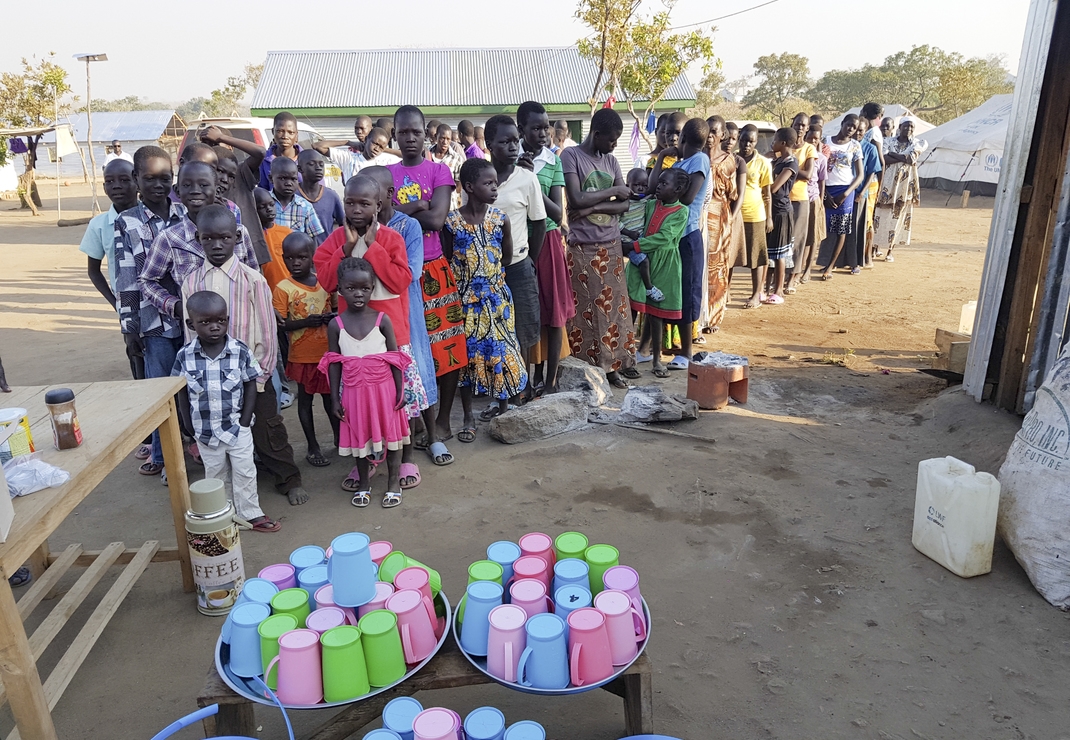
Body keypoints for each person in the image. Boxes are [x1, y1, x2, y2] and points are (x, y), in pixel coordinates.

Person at [177, 205, 310, 508]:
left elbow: (265, 330)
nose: (217, 245)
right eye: (208, 239)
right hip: (211, 377)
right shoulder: (191, 282)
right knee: (221, 433)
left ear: (237, 238)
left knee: (267, 428)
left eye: (224, 238)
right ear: (198, 240)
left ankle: (289, 478)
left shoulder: (253, 280)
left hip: (250, 376)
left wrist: (261, 375)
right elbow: (189, 335)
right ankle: (230, 492)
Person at [314, 175, 428, 490]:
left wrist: (371, 248)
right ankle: (366, 461)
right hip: (351, 339)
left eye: (364, 203)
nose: (356, 209)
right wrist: (346, 251)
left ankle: (406, 459)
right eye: (350, 202)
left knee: (398, 400)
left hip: (390, 337)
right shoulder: (337, 238)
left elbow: (400, 280)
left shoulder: (390, 239)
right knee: (357, 402)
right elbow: (326, 280)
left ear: (378, 205)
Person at [388, 105, 464, 463]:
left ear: (427, 134)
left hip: (434, 268)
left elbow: (436, 219)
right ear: (395, 135)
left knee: (446, 348)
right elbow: (377, 213)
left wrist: (407, 208)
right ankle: (417, 422)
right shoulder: (385, 174)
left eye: (416, 131)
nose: (410, 137)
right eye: (403, 132)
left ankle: (443, 419)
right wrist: (418, 202)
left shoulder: (439, 171)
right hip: (396, 273)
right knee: (411, 352)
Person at [174, 290, 280, 532]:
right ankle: (223, 516)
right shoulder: (185, 356)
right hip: (205, 430)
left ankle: (251, 514)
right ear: (191, 324)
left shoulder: (240, 351)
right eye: (205, 322)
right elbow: (180, 391)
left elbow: (251, 383)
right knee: (215, 475)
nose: (214, 327)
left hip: (236, 427)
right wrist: (187, 424)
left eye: (220, 321)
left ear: (227, 320)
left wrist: (244, 419)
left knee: (245, 471)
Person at [114, 147, 188, 474]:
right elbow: (126, 277)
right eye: (150, 179)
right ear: (136, 180)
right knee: (160, 392)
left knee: (191, 386)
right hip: (153, 322)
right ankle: (162, 457)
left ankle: (192, 447)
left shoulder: (185, 213)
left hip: (190, 319)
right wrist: (129, 329)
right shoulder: (127, 223)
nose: (159, 185)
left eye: (165, 179)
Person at [443, 158, 529, 436]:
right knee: (467, 359)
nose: (494, 188)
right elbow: (447, 259)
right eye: (488, 183)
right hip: (465, 304)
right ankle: (468, 416)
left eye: (496, 182)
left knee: (500, 352)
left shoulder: (499, 219)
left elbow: (505, 256)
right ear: (469, 186)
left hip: (497, 302)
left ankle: (504, 411)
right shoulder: (451, 223)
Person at [362, 165, 437, 487]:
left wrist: (371, 256)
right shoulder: (352, 229)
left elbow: (409, 274)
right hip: (365, 318)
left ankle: (422, 444)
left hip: (404, 313)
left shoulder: (407, 227)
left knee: (410, 377)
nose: (366, 207)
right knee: (371, 385)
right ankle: (375, 451)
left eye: (372, 199)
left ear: (387, 197)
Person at [319, 258, 412, 508]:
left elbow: (396, 360)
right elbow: (334, 363)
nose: (358, 294)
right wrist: (335, 399)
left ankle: (393, 484)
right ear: (340, 289)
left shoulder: (383, 320)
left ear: (373, 288)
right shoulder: (335, 325)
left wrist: (400, 390)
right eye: (351, 289)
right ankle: (363, 484)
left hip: (385, 392)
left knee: (392, 439)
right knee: (360, 440)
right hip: (353, 393)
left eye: (365, 288)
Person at [560, 108, 638, 388]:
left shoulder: (612, 161)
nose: (614, 145)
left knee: (613, 309)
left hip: (611, 244)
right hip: (583, 247)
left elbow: (625, 203)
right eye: (611, 139)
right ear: (596, 134)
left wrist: (594, 205)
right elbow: (576, 198)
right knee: (587, 309)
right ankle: (588, 367)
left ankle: (612, 366)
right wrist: (609, 194)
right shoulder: (571, 156)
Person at [485, 114, 545, 401]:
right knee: (494, 327)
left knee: (523, 326)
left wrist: (530, 258)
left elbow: (539, 222)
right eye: (504, 141)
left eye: (515, 141)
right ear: (489, 144)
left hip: (519, 265)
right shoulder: (480, 179)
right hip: (486, 268)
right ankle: (498, 388)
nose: (512, 147)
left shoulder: (527, 179)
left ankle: (522, 385)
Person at [517, 100, 574, 395]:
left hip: (548, 241)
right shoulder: (508, 161)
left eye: (546, 127)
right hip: (517, 243)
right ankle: (524, 381)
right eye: (535, 128)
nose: (542, 133)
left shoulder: (554, 163)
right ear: (521, 130)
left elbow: (556, 214)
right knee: (525, 313)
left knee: (553, 314)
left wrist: (532, 183)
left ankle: (550, 380)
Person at [272, 232, 337, 468]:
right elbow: (280, 324)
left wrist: (330, 318)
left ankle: (340, 439)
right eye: (289, 258)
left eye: (302, 257)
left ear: (313, 257)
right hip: (301, 355)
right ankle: (312, 446)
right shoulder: (283, 288)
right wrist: (306, 322)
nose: (296, 263)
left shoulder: (326, 283)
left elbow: (338, 311)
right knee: (305, 400)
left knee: (331, 399)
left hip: (327, 353)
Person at [651, 118, 708, 368]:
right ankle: (663, 348)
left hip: (687, 235)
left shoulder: (700, 160)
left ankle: (686, 351)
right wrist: (663, 157)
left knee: (688, 291)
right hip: (672, 237)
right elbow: (654, 188)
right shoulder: (681, 162)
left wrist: (671, 189)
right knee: (672, 290)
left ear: (683, 137)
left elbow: (687, 197)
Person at [623, 168, 690, 378]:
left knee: (656, 314)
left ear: (678, 189)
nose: (657, 186)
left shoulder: (681, 212)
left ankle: (656, 360)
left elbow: (664, 237)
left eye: (663, 184)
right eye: (658, 183)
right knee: (630, 307)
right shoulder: (650, 203)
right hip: (641, 261)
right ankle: (626, 357)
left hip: (664, 263)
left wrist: (634, 246)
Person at [82, 158, 138, 358]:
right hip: (126, 303)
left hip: (157, 299)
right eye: (109, 181)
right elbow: (93, 270)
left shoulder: (151, 217)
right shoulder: (99, 225)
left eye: (124, 180)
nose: (116, 186)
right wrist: (115, 303)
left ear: (137, 182)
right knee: (135, 351)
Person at [198, 128, 272, 268]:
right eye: (207, 145)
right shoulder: (198, 187)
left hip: (249, 254)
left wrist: (221, 137)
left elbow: (260, 152)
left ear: (230, 146)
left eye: (216, 143)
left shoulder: (240, 173)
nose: (211, 150)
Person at [701, 116, 746, 331]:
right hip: (697, 218)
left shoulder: (729, 161)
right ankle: (698, 318)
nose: (710, 137)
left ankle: (714, 317)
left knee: (716, 269)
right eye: (707, 132)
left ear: (722, 135)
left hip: (719, 220)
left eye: (714, 132)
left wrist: (730, 221)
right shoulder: (696, 157)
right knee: (699, 268)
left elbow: (733, 194)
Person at [873, 117, 927, 262]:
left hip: (905, 184)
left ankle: (890, 250)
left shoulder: (918, 143)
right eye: (906, 126)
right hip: (887, 182)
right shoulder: (889, 141)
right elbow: (884, 159)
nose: (908, 129)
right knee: (880, 214)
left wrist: (893, 155)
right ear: (900, 126)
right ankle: (876, 246)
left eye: (911, 127)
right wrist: (903, 157)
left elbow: (911, 159)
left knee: (898, 216)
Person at [818, 115, 864, 279]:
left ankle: (830, 267)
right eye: (849, 125)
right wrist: (825, 194)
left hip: (845, 190)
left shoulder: (855, 146)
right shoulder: (825, 141)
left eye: (855, 127)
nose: (851, 129)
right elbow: (818, 166)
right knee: (823, 227)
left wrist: (846, 193)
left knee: (841, 230)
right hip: (825, 188)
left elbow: (860, 175)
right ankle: (817, 262)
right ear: (842, 124)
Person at [737, 125, 772, 309]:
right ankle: (724, 293)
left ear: (756, 141)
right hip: (734, 215)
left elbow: (767, 193)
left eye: (750, 141)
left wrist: (769, 217)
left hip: (755, 215)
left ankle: (756, 294)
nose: (746, 144)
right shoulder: (732, 159)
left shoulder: (763, 163)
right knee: (732, 256)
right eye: (743, 140)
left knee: (756, 258)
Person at [764, 128, 800, 304]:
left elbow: (773, 187)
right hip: (773, 209)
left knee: (779, 254)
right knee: (770, 252)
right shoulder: (779, 160)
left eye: (776, 139)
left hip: (781, 211)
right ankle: (767, 288)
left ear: (783, 143)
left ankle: (778, 291)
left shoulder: (791, 164)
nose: (773, 142)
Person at [785, 114, 817, 294]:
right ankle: (779, 279)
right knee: (782, 241)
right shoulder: (785, 145)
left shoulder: (809, 148)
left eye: (803, 125)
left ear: (807, 128)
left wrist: (787, 168)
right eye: (797, 124)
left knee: (796, 241)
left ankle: (792, 279)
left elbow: (808, 174)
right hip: (781, 199)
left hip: (799, 199)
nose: (800, 127)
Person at [620, 168, 661, 302]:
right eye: (636, 185)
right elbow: (615, 222)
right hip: (627, 240)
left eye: (644, 186)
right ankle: (649, 288)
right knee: (644, 261)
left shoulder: (644, 202)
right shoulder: (622, 204)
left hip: (640, 240)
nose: (640, 189)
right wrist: (628, 233)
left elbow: (651, 196)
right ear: (628, 186)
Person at [269, 157, 326, 244]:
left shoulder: (305, 206)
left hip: (294, 256)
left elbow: (313, 239)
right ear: (271, 178)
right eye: (282, 178)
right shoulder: (264, 202)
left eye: (293, 179)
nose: (288, 183)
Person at [317, 126, 400, 184]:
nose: (377, 149)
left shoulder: (385, 160)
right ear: (367, 139)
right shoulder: (349, 158)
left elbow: (407, 156)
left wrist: (385, 149)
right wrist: (347, 142)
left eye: (381, 147)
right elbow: (317, 146)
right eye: (375, 143)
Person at [800, 125, 827, 282]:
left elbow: (822, 182)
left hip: (813, 199)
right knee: (801, 237)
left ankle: (807, 270)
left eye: (816, 138)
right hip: (799, 199)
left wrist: (821, 202)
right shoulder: (800, 154)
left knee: (813, 237)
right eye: (810, 137)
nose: (812, 141)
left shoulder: (821, 158)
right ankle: (797, 269)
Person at [254, 187, 293, 292]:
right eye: (262, 206)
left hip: (288, 290)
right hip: (264, 292)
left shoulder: (286, 233)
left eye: (271, 204)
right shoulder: (252, 235)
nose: (269, 209)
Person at [297, 149, 345, 233]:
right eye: (312, 164)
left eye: (321, 164)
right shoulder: (292, 195)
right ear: (300, 169)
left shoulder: (331, 196)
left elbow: (344, 224)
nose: (318, 168)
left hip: (326, 246)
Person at [258, 111, 302, 190]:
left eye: (290, 132)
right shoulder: (264, 160)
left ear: (296, 134)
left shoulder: (306, 159)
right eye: (280, 131)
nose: (285, 136)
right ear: (273, 132)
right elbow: (263, 190)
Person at [646, 112, 687, 180]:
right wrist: (661, 156)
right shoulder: (655, 162)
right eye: (668, 133)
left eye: (678, 133)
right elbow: (650, 187)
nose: (673, 138)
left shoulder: (692, 161)